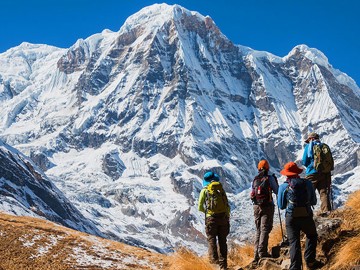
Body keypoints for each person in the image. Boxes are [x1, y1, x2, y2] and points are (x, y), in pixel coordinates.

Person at [278, 162, 322, 270]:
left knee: (294, 242)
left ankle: (295, 267)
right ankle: (310, 261)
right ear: (297, 172)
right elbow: (313, 201)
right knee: (311, 235)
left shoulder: (284, 186)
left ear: (286, 174)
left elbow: (281, 205)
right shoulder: (307, 183)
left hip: (291, 217)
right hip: (306, 215)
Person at [198, 171, 230, 270]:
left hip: (211, 219)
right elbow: (227, 205)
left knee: (212, 240)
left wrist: (208, 212)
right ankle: (223, 265)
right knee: (222, 241)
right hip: (223, 218)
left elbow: (200, 207)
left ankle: (214, 264)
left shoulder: (204, 191)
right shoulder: (221, 189)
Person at [250, 160, 279, 262]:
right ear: (268, 168)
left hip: (256, 207)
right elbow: (277, 191)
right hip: (267, 206)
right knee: (265, 229)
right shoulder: (270, 178)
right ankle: (262, 252)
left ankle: (256, 255)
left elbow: (252, 193)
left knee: (259, 230)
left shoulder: (255, 179)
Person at [302, 132, 334, 215]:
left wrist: (310, 166)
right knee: (323, 193)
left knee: (307, 193)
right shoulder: (324, 146)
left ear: (311, 139)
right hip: (324, 173)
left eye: (308, 140)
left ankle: (306, 214)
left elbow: (304, 161)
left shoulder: (309, 147)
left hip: (312, 173)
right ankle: (327, 212)